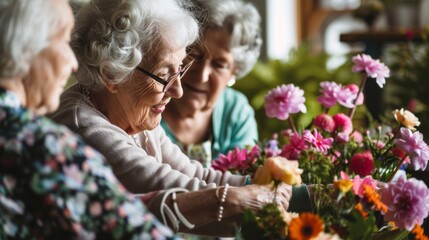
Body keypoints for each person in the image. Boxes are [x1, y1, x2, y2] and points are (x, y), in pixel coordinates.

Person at [50, 0, 312, 236]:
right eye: (164, 74)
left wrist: (288, 189)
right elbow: (174, 189)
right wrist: (294, 199)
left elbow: (193, 173)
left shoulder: (133, 115)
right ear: (111, 73)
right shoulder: (83, 126)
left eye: (180, 70)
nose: (178, 90)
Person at [0, 0, 178, 239]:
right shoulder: (41, 145)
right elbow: (135, 230)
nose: (72, 62)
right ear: (25, 47)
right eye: (62, 42)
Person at [161, 0, 260, 167]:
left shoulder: (235, 112)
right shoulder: (148, 104)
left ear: (233, 72)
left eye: (219, 65)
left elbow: (243, 182)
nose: (202, 76)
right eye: (195, 55)